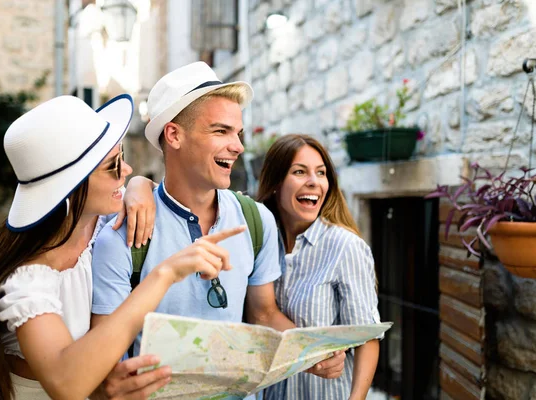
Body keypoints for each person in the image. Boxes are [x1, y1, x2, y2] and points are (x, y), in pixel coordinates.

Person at [0, 94, 244, 400]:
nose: (127, 169)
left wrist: (140, 186)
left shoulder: (96, 226)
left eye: (121, 156)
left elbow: (144, 186)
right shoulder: (28, 281)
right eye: (113, 165)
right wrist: (165, 273)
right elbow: (66, 382)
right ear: (72, 187)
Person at [90, 62, 345, 395]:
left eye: (238, 133)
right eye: (221, 131)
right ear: (174, 135)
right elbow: (104, 359)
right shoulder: (121, 236)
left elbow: (264, 314)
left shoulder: (257, 221)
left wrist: (311, 351)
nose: (238, 146)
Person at [256, 134, 381, 400]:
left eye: (321, 173)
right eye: (299, 172)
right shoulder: (261, 241)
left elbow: (367, 338)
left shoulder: (345, 246)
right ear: (276, 183)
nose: (314, 181)